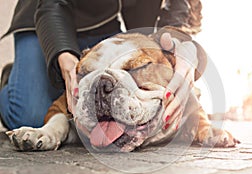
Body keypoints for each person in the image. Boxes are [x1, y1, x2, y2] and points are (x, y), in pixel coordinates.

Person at [0, 0, 205, 131]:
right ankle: (13, 78)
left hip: (101, 25)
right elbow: (51, 4)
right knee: (30, 117)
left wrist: (179, 46)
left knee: (120, 93)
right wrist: (63, 54)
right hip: (44, 21)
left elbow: (177, 9)